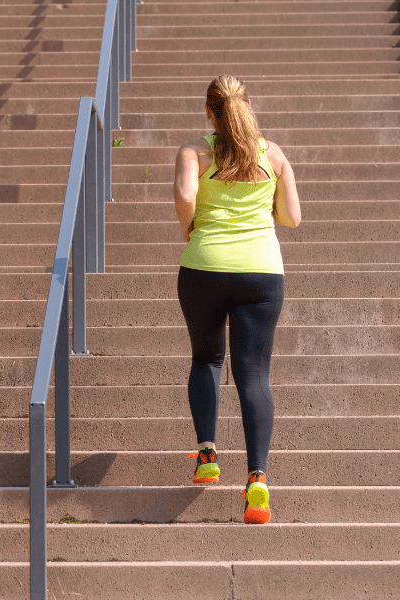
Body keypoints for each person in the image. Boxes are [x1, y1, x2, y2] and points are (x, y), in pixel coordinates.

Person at [173, 75, 301, 524]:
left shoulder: (194, 151)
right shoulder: (274, 154)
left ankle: (207, 456)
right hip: (262, 273)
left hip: (204, 266)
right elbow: (292, 217)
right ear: (248, 105)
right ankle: (258, 481)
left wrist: (191, 229)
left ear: (210, 111)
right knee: (254, 376)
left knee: (206, 358)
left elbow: (187, 194)